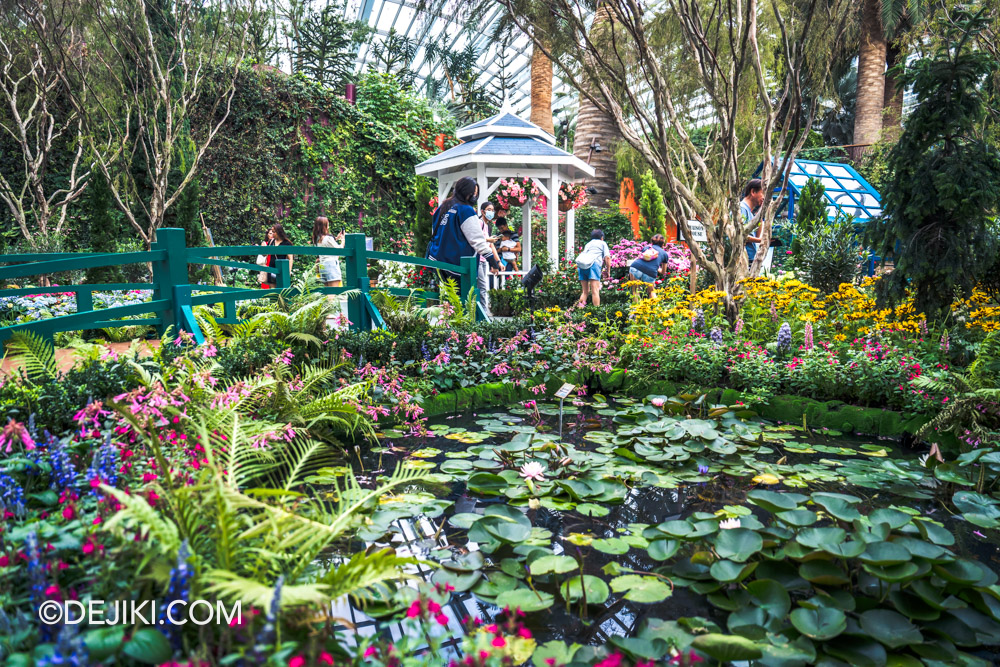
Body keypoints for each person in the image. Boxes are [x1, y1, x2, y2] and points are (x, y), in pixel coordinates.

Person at [426, 176, 502, 316]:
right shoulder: (465, 210)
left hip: (439, 261)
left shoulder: (443, 207)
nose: (475, 196)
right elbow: (477, 240)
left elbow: (435, 233)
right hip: (457, 264)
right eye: (473, 193)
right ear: (466, 192)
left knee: (450, 300)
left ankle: (450, 332)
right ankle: (466, 333)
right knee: (465, 303)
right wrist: (493, 262)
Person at [575, 229, 611, 307]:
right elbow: (607, 258)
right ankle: (596, 314)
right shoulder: (603, 243)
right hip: (594, 265)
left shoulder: (588, 244)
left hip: (582, 266)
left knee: (585, 292)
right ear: (602, 237)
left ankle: (579, 312)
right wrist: (608, 271)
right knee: (595, 290)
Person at [628, 233, 670, 298]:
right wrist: (655, 267)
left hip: (636, 267)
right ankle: (656, 308)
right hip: (651, 272)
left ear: (652, 242)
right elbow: (663, 272)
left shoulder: (647, 248)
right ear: (663, 244)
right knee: (651, 292)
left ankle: (636, 307)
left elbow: (640, 258)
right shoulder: (664, 254)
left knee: (635, 291)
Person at [312, 217, 343, 287]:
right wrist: (343, 240)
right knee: (333, 292)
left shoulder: (317, 239)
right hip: (331, 265)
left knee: (327, 291)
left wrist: (336, 238)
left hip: (322, 265)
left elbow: (326, 244)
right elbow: (340, 249)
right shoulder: (328, 238)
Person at [261, 223, 293, 289]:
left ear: (279, 232)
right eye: (272, 232)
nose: (272, 234)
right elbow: (265, 254)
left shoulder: (287, 243)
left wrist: (288, 271)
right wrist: (263, 249)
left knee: (281, 290)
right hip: (271, 269)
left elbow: (290, 258)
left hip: (282, 270)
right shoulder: (271, 242)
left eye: (274, 232)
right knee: (273, 291)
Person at [741, 179, 764, 263]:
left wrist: (761, 213)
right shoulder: (741, 208)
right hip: (742, 259)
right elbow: (739, 234)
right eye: (763, 193)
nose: (764, 197)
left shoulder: (750, 212)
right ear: (753, 192)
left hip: (750, 258)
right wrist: (761, 240)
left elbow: (757, 235)